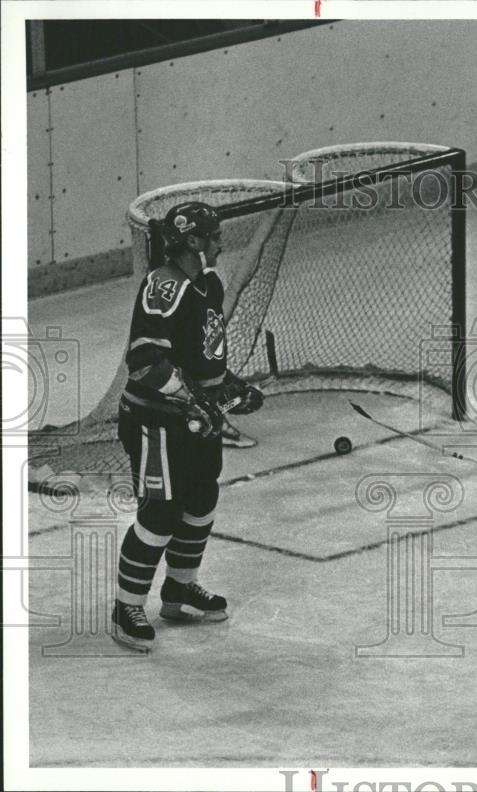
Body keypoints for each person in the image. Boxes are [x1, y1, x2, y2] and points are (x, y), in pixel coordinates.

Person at [111, 201, 264, 651]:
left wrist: (226, 387)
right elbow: (142, 362)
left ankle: (179, 589)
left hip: (196, 419)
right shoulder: (164, 287)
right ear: (194, 241)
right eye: (214, 236)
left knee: (201, 498)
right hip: (156, 422)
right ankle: (126, 606)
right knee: (160, 512)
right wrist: (188, 396)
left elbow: (202, 354)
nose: (220, 242)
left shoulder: (208, 282)